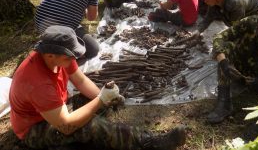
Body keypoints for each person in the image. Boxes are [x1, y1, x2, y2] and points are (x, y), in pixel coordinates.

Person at [9, 25, 186, 150]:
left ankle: (87, 140)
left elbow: (80, 81)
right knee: (91, 127)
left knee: (91, 102)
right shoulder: (37, 83)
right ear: (50, 56)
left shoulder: (57, 56)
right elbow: (66, 126)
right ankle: (150, 142)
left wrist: (106, 97)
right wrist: (101, 100)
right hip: (34, 128)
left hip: (52, 112)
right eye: (69, 58)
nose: (73, 61)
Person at [35, 0, 100, 59]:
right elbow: (91, 17)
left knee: (77, 29)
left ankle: (50, 42)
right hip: (59, 31)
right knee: (93, 49)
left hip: (40, 24)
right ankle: (64, 53)